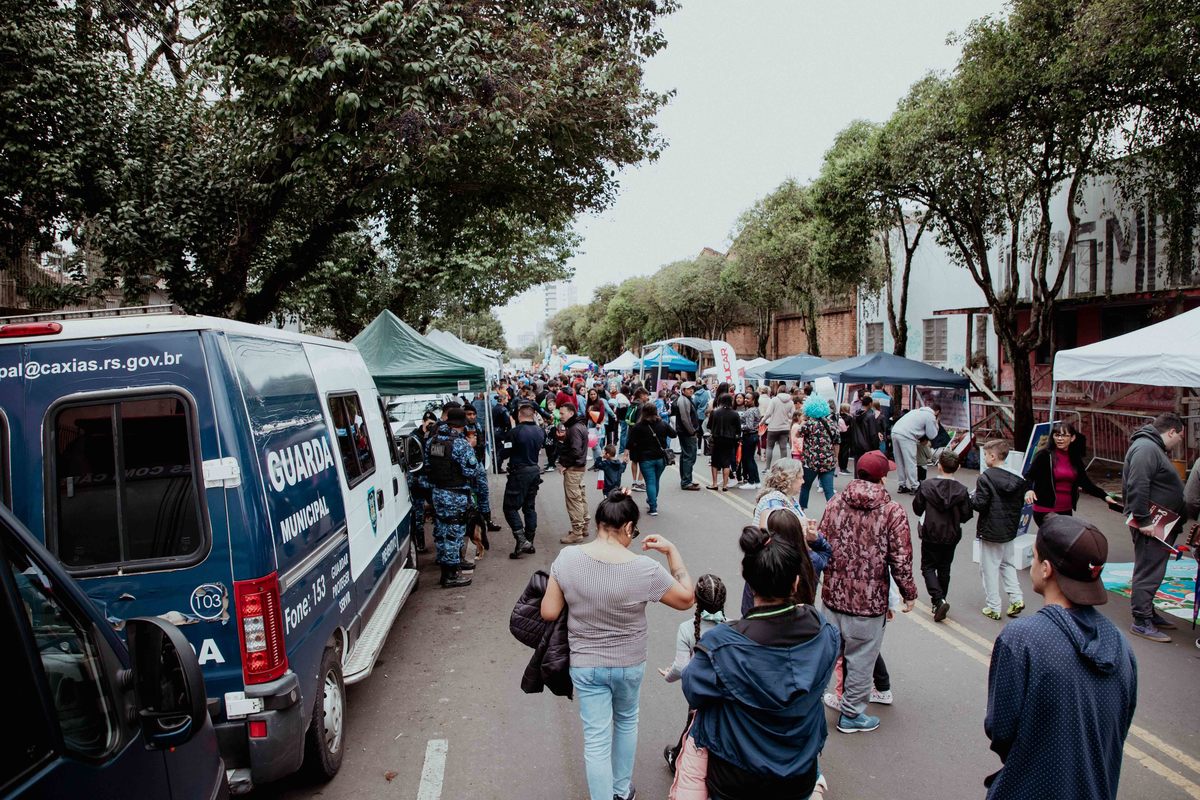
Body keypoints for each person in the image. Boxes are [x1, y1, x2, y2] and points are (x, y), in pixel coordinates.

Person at [540, 492, 695, 800]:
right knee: (625, 722)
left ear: (599, 523)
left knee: (596, 740)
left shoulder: (568, 559)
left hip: (585, 665)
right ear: (627, 527)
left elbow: (548, 612)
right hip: (629, 664)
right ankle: (621, 792)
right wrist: (672, 552)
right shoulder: (645, 568)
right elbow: (686, 598)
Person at [984, 515, 1137, 800]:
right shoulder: (1121, 645)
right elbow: (1119, 728)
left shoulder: (1022, 639)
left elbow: (1001, 731)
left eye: (1035, 557)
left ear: (1046, 569)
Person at [680, 526, 839, 800]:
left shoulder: (721, 645)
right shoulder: (823, 632)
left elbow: (693, 690)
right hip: (799, 773)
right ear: (796, 583)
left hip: (737, 776)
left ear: (749, 582)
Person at [817, 450, 917, 734]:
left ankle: (808, 705)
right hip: (869, 603)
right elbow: (901, 559)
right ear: (882, 478)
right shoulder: (892, 511)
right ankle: (851, 715)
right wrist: (908, 593)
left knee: (827, 654)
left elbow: (821, 542)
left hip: (834, 596)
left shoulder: (835, 502)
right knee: (861, 658)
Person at [1122, 412, 1187, 642]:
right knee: (1148, 570)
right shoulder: (1147, 448)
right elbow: (1138, 484)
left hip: (1159, 522)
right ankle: (1141, 621)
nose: (1178, 442)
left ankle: (1148, 612)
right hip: (1151, 524)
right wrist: (1144, 520)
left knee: (1154, 568)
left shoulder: (1151, 447)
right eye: (1179, 437)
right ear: (1171, 432)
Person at [660, 573, 727, 773]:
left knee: (693, 724)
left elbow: (681, 667)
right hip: (725, 688)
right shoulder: (732, 626)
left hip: (698, 689)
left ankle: (678, 758)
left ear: (695, 598)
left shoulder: (686, 629)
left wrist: (668, 675)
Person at [420, 408, 488, 588]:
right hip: (455, 493)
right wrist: (471, 447)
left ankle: (448, 567)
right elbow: (471, 470)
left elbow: (428, 466)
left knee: (442, 530)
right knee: (453, 533)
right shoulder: (460, 444)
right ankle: (450, 575)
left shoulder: (432, 441)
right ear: (462, 425)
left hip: (438, 492)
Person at [913, 450, 974, 621]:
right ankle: (940, 600)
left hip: (930, 531)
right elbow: (966, 515)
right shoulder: (962, 490)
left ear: (939, 466)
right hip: (951, 533)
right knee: (944, 568)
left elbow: (917, 508)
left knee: (928, 567)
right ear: (958, 467)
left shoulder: (927, 486)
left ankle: (938, 599)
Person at [972, 439, 1028, 621]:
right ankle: (1016, 598)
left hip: (991, 529)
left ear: (993, 456)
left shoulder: (985, 478)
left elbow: (980, 504)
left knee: (988, 569)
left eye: (985, 455)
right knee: (1007, 563)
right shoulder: (1018, 477)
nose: (984, 458)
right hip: (1009, 528)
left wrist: (970, 499)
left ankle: (993, 606)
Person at [1024, 422, 1120, 525]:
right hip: (1045, 510)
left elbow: (1086, 483)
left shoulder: (1075, 458)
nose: (1060, 439)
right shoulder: (1044, 455)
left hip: (1066, 510)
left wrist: (1105, 496)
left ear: (1072, 438)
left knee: (1063, 535)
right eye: (1057, 435)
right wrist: (1029, 490)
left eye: (1064, 435)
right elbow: (1028, 476)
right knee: (1058, 534)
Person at [503, 403, 545, 559]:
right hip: (534, 470)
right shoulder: (540, 431)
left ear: (520, 415)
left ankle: (522, 540)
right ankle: (529, 541)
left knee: (510, 507)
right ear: (533, 415)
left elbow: (505, 452)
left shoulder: (515, 432)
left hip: (519, 472)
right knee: (529, 507)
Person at [625, 402, 676, 517]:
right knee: (655, 480)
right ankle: (652, 500)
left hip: (645, 458)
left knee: (650, 482)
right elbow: (673, 434)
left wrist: (626, 453)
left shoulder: (638, 426)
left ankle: (653, 507)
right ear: (656, 412)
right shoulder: (662, 424)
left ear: (643, 412)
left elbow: (630, 442)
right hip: (661, 458)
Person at [558, 402, 592, 544]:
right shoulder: (579, 426)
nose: (560, 416)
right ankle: (583, 527)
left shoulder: (574, 428)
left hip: (574, 469)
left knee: (574, 500)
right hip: (578, 468)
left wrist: (564, 464)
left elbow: (575, 451)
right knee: (579, 498)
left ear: (571, 413)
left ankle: (577, 531)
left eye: (562, 413)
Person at [798, 395, 839, 510]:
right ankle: (833, 513)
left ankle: (801, 511)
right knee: (829, 490)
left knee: (805, 487)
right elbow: (837, 443)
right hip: (828, 461)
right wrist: (836, 458)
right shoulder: (831, 423)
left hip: (811, 461)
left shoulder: (809, 424)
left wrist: (803, 420)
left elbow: (797, 434)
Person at [890, 403, 940, 493]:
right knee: (911, 462)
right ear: (937, 412)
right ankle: (915, 486)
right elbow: (932, 435)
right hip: (907, 436)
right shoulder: (930, 416)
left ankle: (902, 485)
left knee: (899, 461)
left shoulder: (916, 411)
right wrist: (936, 424)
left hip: (895, 432)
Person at [707, 393, 742, 491]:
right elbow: (738, 429)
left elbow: (709, 426)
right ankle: (725, 485)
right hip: (729, 439)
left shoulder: (715, 412)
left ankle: (714, 484)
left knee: (715, 461)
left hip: (716, 438)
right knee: (726, 462)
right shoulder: (735, 413)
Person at [675, 382, 702, 491]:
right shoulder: (683, 400)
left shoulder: (686, 399)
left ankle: (686, 479)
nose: (691, 390)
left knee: (686, 456)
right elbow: (685, 419)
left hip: (685, 432)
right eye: (688, 389)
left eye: (692, 388)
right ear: (683, 390)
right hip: (687, 433)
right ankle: (686, 482)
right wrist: (692, 431)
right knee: (689, 456)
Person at [763, 387, 795, 468]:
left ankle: (767, 467)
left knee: (769, 447)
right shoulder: (791, 402)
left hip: (773, 427)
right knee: (783, 448)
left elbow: (768, 413)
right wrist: (787, 415)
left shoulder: (774, 400)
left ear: (778, 391)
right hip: (785, 427)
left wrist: (762, 421)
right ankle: (783, 468)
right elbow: (793, 415)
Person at [736, 393, 761, 489]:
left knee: (748, 459)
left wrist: (739, 426)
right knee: (751, 459)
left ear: (753, 400)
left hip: (749, 436)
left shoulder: (750, 411)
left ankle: (751, 482)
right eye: (745, 398)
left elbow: (749, 426)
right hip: (754, 436)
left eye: (748, 398)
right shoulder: (756, 409)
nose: (745, 400)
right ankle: (757, 481)